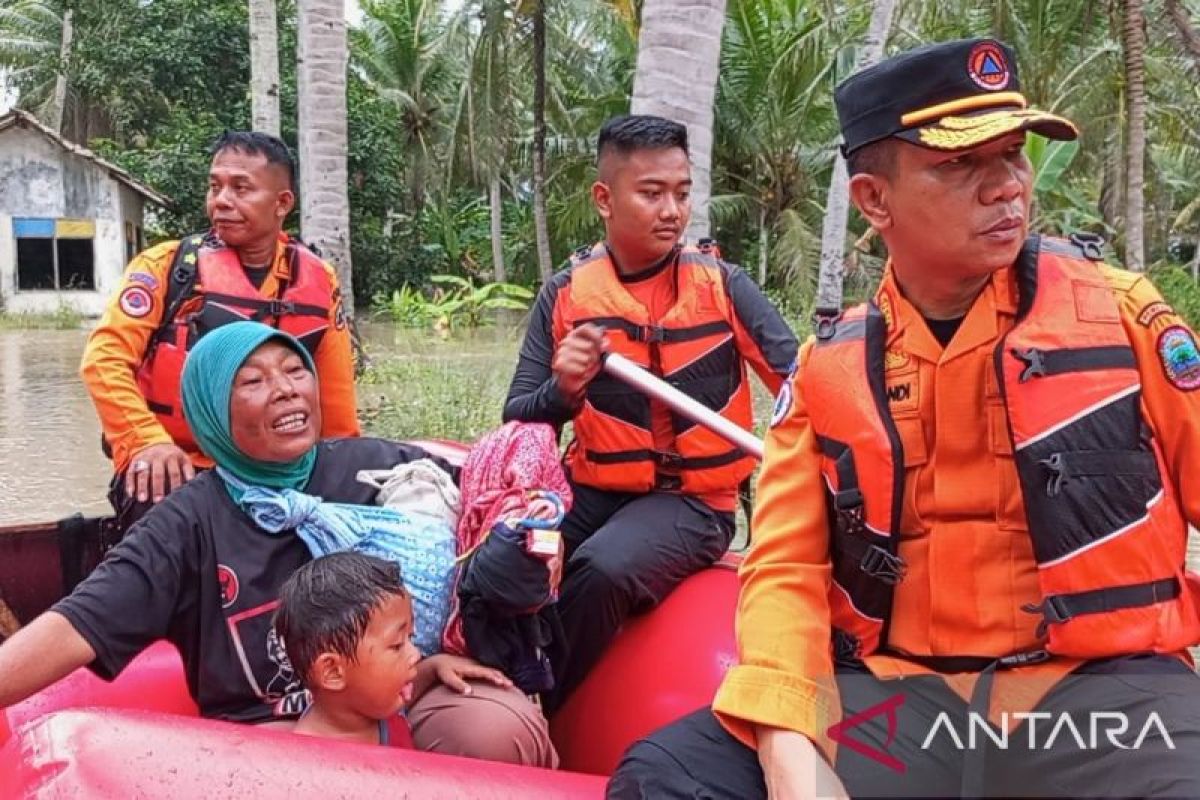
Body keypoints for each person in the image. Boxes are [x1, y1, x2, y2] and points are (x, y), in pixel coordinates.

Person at [609, 38, 1200, 799]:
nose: (1008, 188)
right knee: (668, 778)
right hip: (905, 706)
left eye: (1014, 154)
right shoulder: (831, 368)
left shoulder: (1123, 321)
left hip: (1101, 703)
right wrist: (789, 749)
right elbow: (785, 568)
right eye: (960, 165)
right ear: (873, 199)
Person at [0, 322, 554, 768]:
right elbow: (76, 626)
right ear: (212, 411)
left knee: (493, 730)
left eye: (295, 370)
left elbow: (500, 515)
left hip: (409, 682)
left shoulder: (386, 470)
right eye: (254, 381)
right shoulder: (185, 525)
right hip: (266, 736)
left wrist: (541, 547)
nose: (287, 388)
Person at [503, 113, 798, 708]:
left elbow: (802, 389)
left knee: (602, 569)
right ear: (604, 199)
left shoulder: (724, 287)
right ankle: (482, 687)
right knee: (505, 561)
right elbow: (520, 414)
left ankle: (535, 707)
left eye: (682, 193)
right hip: (596, 489)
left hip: (696, 504)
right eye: (652, 193)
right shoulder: (564, 295)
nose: (672, 211)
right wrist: (565, 388)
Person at [80, 130, 359, 529]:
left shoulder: (317, 280)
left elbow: (336, 403)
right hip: (177, 462)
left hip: (276, 470)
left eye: (241, 188)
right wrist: (147, 440)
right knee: (163, 517)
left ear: (282, 203)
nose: (222, 200)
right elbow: (103, 360)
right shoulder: (166, 267)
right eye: (215, 187)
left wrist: (341, 473)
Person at [277, 551, 516, 751]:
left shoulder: (369, 705)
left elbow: (396, 689)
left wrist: (435, 667)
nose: (415, 654)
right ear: (332, 672)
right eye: (396, 645)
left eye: (410, 638)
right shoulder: (315, 763)